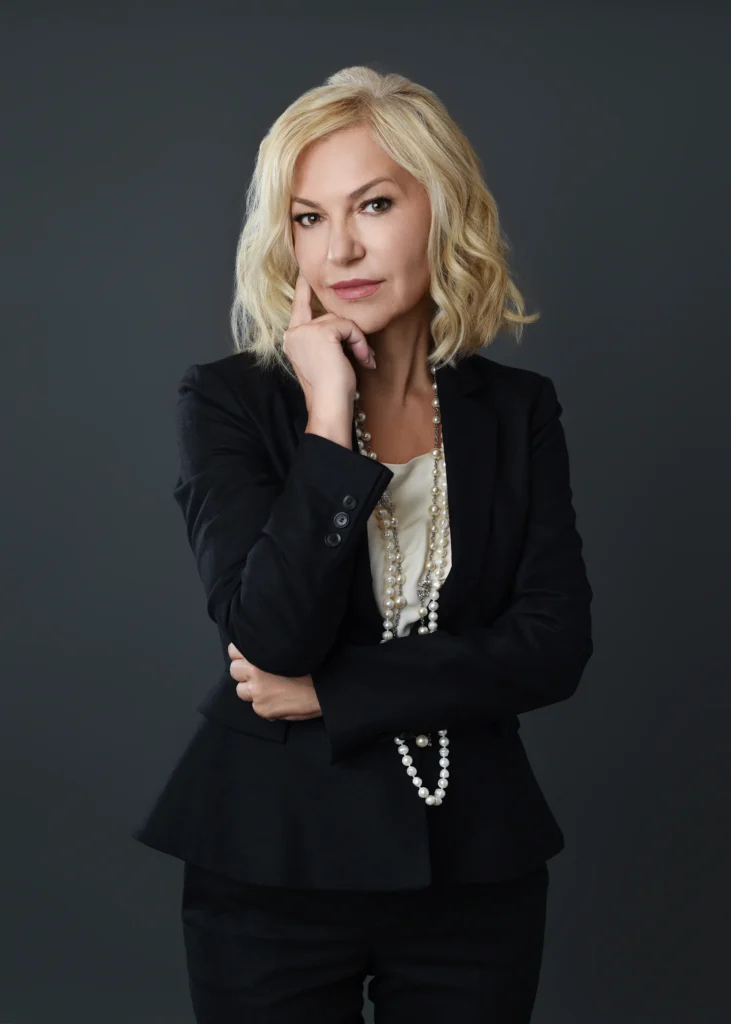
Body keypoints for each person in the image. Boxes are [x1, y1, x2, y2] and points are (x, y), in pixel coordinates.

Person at [133, 64, 594, 1023]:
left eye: (373, 204)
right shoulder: (226, 401)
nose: (339, 246)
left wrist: (331, 697)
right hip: (269, 865)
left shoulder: (516, 411)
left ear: (441, 206)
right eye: (307, 218)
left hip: (474, 866)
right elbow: (272, 637)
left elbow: (551, 644)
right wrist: (328, 414)